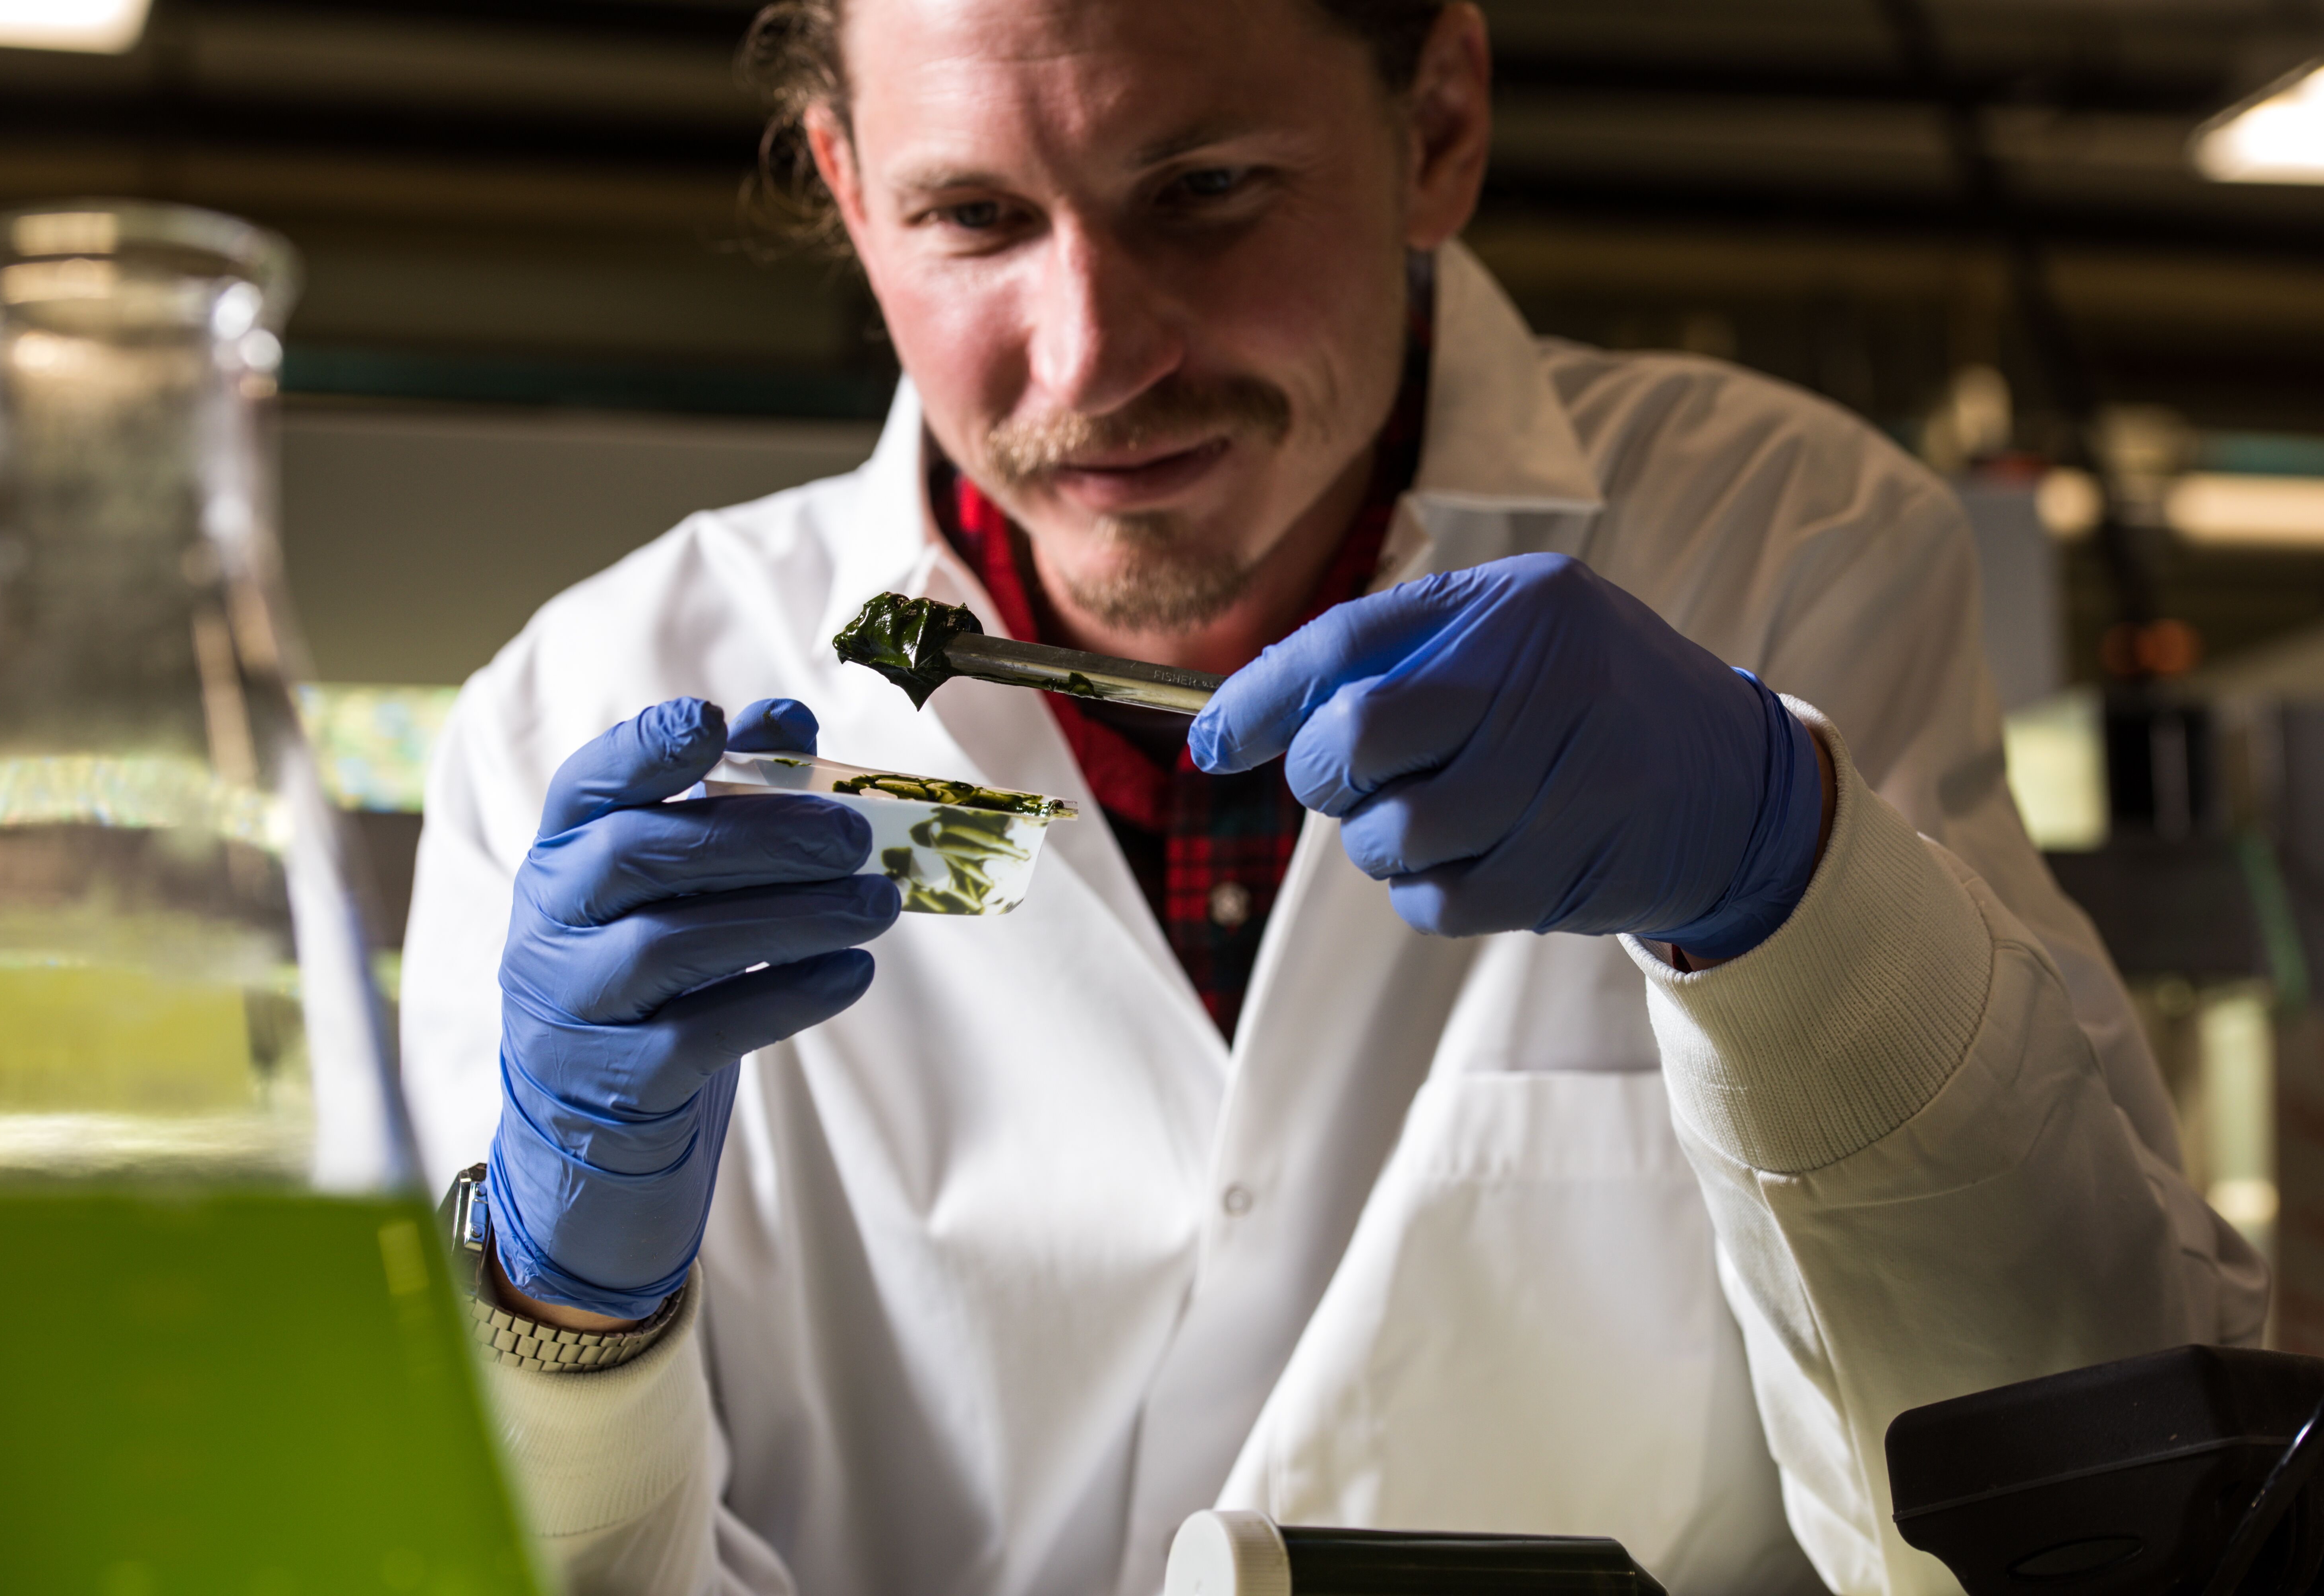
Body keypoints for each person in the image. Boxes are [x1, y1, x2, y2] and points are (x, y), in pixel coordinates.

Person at [401, 2, 2266, 1593]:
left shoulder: (1781, 545)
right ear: (843, 193)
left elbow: (2075, 1494)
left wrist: (1798, 903)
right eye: (973, 216)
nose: (1096, 358)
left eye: (1204, 192)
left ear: (1435, 125)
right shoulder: (579, 705)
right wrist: (562, 1327)